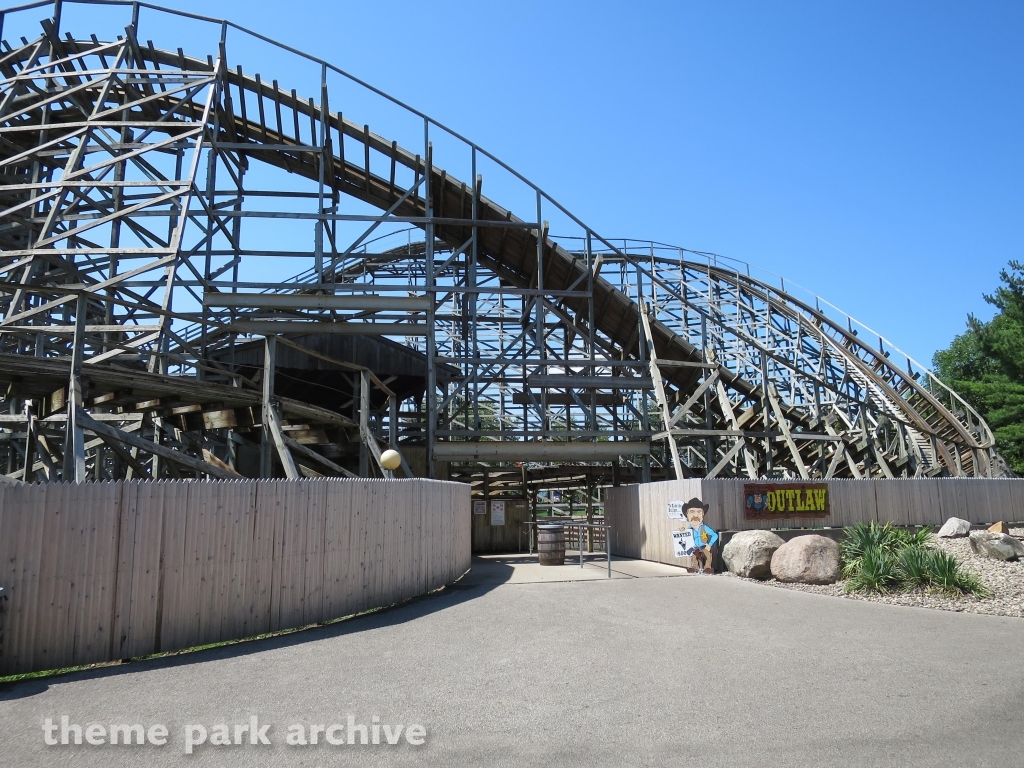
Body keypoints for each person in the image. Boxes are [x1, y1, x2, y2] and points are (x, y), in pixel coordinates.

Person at [682, 498, 718, 574]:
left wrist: (709, 544)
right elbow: (683, 538)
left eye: (699, 512)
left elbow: (714, 535)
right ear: (687, 515)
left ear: (703, 515)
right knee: (694, 556)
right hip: (694, 547)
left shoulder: (705, 528)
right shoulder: (689, 530)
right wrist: (681, 531)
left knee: (708, 555)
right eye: (692, 512)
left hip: (704, 546)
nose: (695, 515)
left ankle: (707, 568)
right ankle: (695, 568)